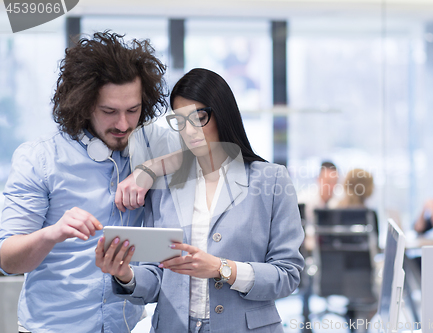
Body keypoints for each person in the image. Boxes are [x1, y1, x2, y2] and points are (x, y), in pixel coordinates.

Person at [95, 68, 305, 332]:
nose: (190, 130)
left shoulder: (271, 180)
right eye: (180, 121)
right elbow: (157, 274)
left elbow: (288, 274)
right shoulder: (165, 186)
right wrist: (125, 274)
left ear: (222, 112)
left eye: (199, 117)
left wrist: (221, 268)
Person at [0, 31, 174, 332]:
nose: (122, 124)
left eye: (132, 111)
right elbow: (8, 260)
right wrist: (52, 234)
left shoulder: (145, 147)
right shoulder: (40, 159)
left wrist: (150, 170)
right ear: (83, 103)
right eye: (109, 112)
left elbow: (214, 155)